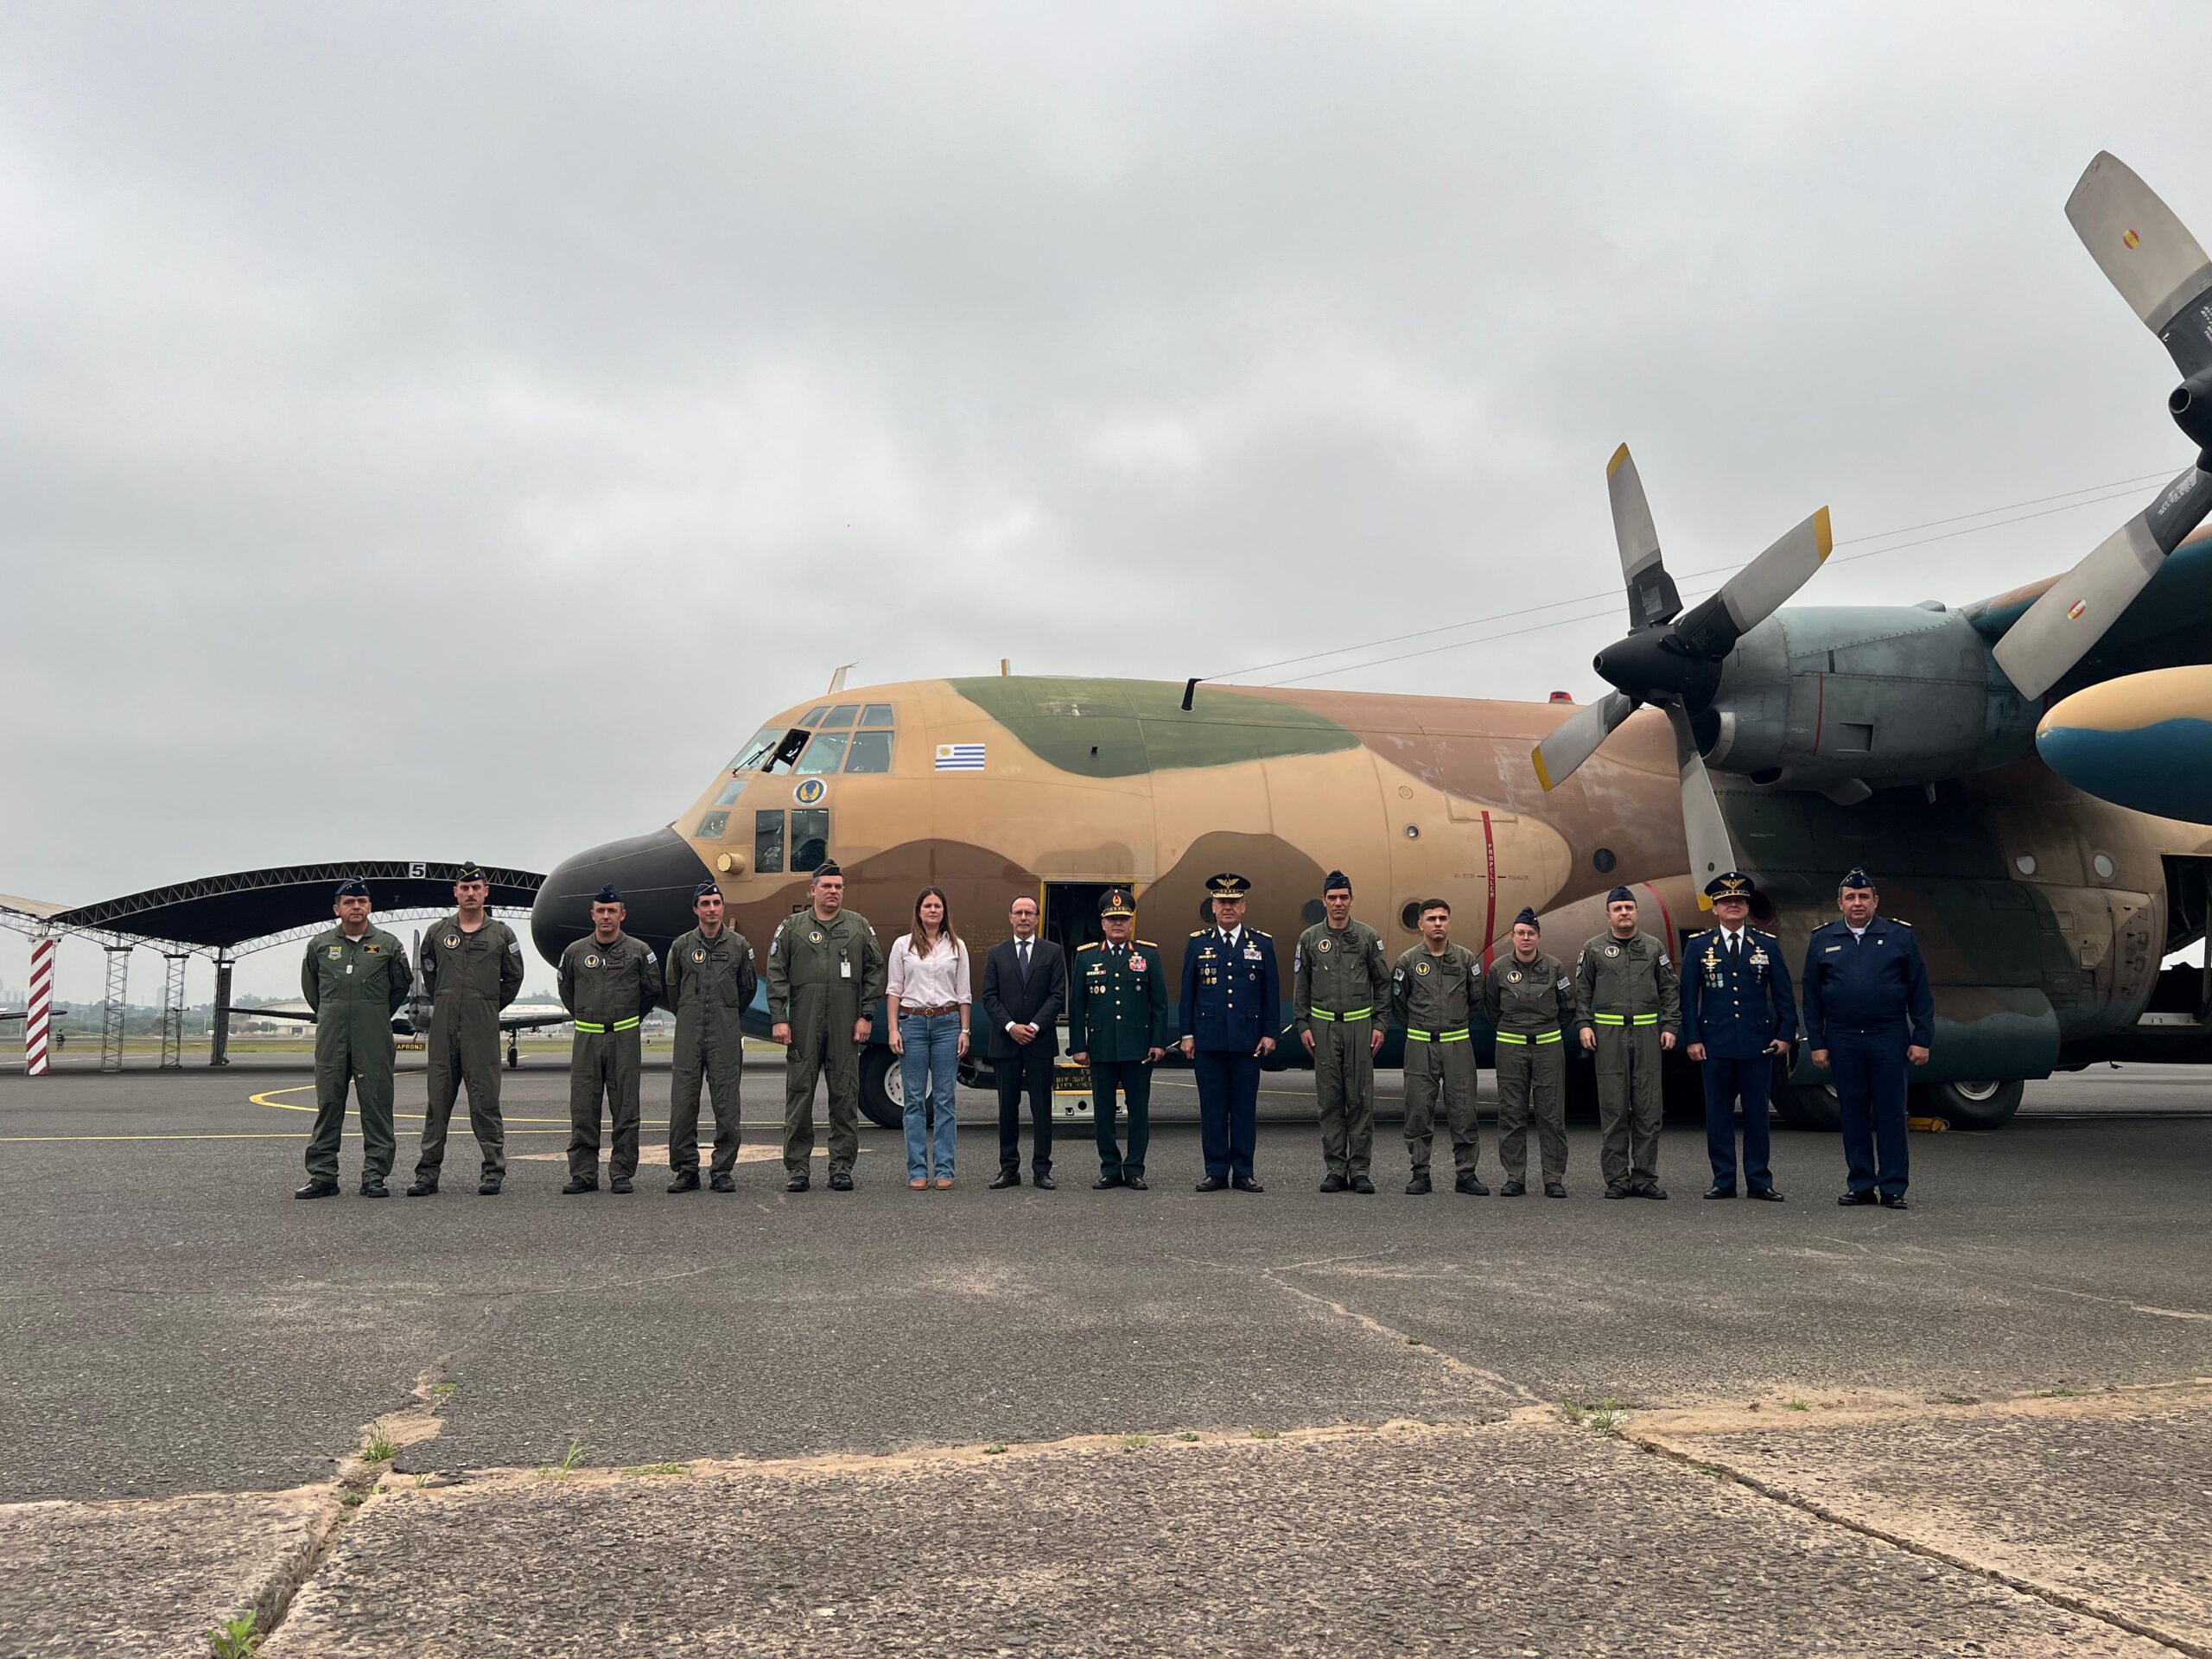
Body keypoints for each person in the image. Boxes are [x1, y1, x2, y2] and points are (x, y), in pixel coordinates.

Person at [1802, 868, 1932, 1210]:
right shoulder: (1823, 939)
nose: (1857, 903)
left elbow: (1920, 990)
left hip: (1888, 1035)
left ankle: (1892, 1186)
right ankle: (1860, 1183)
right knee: (1853, 1112)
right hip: (1843, 1038)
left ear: (1875, 901)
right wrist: (1818, 1042)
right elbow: (1812, 997)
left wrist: (1922, 1037)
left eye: (1863, 897)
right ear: (1840, 903)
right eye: (1850, 897)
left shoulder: (1899, 937)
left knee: (1891, 1112)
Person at [407, 862, 524, 1198]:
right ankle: (427, 1174)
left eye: (477, 888)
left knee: (485, 1103)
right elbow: (430, 973)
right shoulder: (437, 933)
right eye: (464, 888)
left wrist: (486, 1004)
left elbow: (513, 979)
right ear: (455, 893)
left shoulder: (502, 935)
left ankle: (493, 1171)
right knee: (437, 1104)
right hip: (443, 1030)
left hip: (481, 1030)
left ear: (486, 892)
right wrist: (447, 1001)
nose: (470, 893)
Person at [767, 862, 885, 1193]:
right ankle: (798, 1169)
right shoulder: (792, 928)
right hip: (804, 1022)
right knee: (800, 1095)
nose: (833, 891)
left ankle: (842, 1167)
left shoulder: (859, 926)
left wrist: (866, 1015)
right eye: (827, 886)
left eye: (838, 887)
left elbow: (875, 970)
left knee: (844, 1095)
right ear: (812, 890)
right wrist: (779, 1017)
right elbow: (777, 972)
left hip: (845, 1022)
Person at [295, 877, 414, 1199]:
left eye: (362, 902)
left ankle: (375, 1175)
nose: (356, 907)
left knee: (376, 1104)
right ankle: (323, 1175)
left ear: (370, 907)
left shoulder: (388, 945)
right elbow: (312, 991)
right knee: (329, 1103)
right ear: (337, 909)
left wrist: (372, 1012)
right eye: (349, 902)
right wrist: (335, 1013)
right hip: (332, 1034)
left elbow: (400, 987)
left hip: (373, 1033)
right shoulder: (319, 946)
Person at [1681, 872, 1797, 1202]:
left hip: (1757, 1042)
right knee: (1718, 1113)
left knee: (1758, 1114)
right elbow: (1688, 997)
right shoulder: (1699, 946)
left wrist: (1786, 1033)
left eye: (1739, 901)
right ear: (1715, 908)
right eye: (1726, 901)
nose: (1733, 906)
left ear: (1747, 906)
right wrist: (1692, 1038)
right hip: (1715, 1043)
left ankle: (1759, 1180)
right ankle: (1724, 1179)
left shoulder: (1766, 945)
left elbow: (1785, 995)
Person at [1574, 886, 1681, 1199]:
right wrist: (1584, 1024)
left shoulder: (1653, 947)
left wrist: (1671, 1024)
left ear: (1636, 912)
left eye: (1629, 908)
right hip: (1608, 1035)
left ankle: (1645, 1177)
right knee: (1614, 1108)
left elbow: (1669, 989)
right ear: (1608, 915)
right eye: (1618, 908)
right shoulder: (1593, 949)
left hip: (1647, 1033)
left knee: (1649, 1108)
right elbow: (1582, 990)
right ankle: (1617, 1179)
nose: (1624, 913)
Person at [1179, 873, 1281, 1192]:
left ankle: (1244, 1171)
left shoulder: (1261, 943)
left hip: (1247, 1039)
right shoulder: (1198, 943)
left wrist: (1270, 1033)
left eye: (1233, 902)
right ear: (1213, 906)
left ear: (1243, 907)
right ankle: (1216, 1171)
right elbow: (1187, 993)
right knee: (1212, 1109)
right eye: (1222, 902)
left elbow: (1270, 993)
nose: (1227, 908)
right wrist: (1187, 1034)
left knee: (1243, 1110)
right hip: (1208, 1039)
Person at [557, 884, 662, 1194]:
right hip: (587, 1039)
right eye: (600, 911)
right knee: (583, 1109)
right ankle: (583, 1174)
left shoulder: (640, 952)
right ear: (592, 915)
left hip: (624, 1038)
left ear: (622, 915)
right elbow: (567, 992)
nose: (606, 916)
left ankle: (621, 1173)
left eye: (612, 911)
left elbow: (652, 990)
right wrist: (586, 1015)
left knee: (626, 1108)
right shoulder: (575, 952)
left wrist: (629, 1020)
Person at [1294, 870, 1394, 1194]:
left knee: (1361, 1100)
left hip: (1359, 1025)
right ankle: (1336, 1168)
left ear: (1351, 900)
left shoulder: (1367, 937)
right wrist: (1303, 1025)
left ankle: (1360, 1170)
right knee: (1330, 1101)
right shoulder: (1309, 939)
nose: (1338, 903)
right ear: (1324, 900)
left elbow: (1383, 984)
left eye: (1344, 897)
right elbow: (1302, 986)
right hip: (1323, 1027)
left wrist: (1380, 1024)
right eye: (1332, 898)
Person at [1068, 887, 1170, 1190]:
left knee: (1139, 1111)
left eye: (1123, 919)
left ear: (1131, 923)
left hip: (1138, 1047)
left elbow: (1160, 1005)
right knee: (1103, 1112)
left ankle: (1135, 1168)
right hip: (1100, 1047)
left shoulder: (1148, 955)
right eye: (1112, 919)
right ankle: (1111, 1168)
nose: (1118, 924)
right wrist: (1079, 1046)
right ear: (1102, 923)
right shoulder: (1086, 958)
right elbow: (1076, 1007)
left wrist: (1158, 1042)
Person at [665, 879, 758, 1193]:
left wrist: (726, 1014)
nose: (712, 909)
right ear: (696, 909)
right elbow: (672, 988)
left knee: (727, 1106)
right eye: (705, 904)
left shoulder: (739, 946)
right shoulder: (681, 947)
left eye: (716, 903)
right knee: (683, 1106)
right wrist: (691, 1013)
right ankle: (686, 1170)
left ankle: (722, 1171)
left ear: (722, 907)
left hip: (725, 1033)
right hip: (689, 1033)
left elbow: (747, 990)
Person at [1390, 899, 1486, 1195]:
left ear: (1449, 922)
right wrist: (1421, 1026)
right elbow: (1398, 1004)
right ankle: (1420, 1173)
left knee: (1464, 1109)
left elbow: (1476, 1000)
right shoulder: (1407, 961)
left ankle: (1466, 1174)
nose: (1438, 923)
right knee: (1418, 1109)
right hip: (1420, 1045)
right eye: (1431, 918)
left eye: (1443, 918)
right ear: (1420, 924)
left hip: (1457, 1044)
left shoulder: (1466, 959)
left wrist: (1455, 1025)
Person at [1479, 906, 1573, 1198]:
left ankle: (1553, 1178)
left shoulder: (1556, 968)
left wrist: (1545, 1029)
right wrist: (1513, 1030)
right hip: (1511, 1047)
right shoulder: (1499, 969)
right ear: (1513, 937)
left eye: (1530, 933)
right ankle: (1514, 1177)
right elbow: (1492, 1007)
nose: (1525, 938)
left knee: (1551, 1114)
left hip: (1547, 1046)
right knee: (1511, 1113)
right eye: (1520, 933)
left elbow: (1567, 1007)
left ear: (1538, 936)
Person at [887, 886, 970, 1190]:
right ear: (919, 911)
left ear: (944, 911)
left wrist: (965, 1030)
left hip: (948, 1024)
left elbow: (964, 994)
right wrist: (894, 1029)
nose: (933, 910)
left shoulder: (957, 947)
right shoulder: (902, 946)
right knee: (913, 1101)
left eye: (938, 906)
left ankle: (945, 1170)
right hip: (913, 1024)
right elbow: (894, 990)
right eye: (927, 906)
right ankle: (917, 1171)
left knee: (946, 1100)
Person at [981, 894, 1066, 1189]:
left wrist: (1032, 1026)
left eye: (1030, 913)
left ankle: (1042, 1169)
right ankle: (1009, 1169)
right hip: (1006, 1042)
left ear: (1038, 918)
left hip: (1039, 1040)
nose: (1024, 918)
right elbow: (989, 996)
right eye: (1018, 912)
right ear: (1010, 917)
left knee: (1042, 1108)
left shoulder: (1052, 952)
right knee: (1008, 1108)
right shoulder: (996, 953)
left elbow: (1057, 995)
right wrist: (1010, 1026)